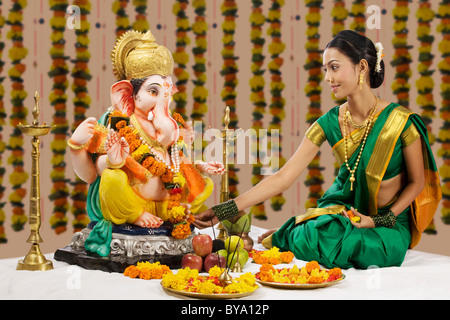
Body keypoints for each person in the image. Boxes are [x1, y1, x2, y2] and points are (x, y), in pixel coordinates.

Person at [193, 30, 442, 269]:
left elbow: (417, 183)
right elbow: (283, 177)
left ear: (362, 67)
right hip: (348, 217)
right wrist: (225, 209)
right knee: (317, 233)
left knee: (347, 243)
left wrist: (377, 220)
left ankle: (294, 234)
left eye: (334, 67)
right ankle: (296, 233)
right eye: (325, 70)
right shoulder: (329, 122)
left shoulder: (402, 122)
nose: (327, 78)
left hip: (388, 225)